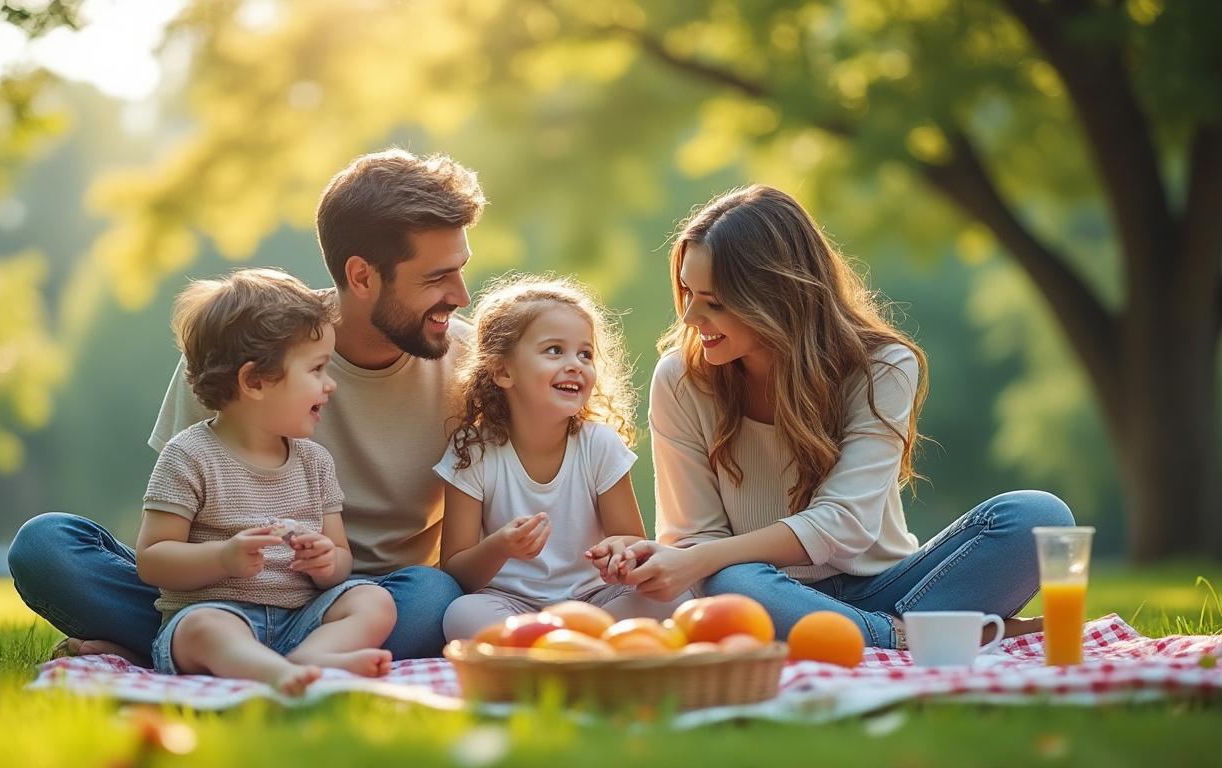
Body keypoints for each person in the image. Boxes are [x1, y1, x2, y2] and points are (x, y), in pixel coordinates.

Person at [8, 149, 485, 664]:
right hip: (223, 591)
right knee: (45, 547)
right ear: (363, 276)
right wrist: (228, 567)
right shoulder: (250, 347)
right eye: (437, 278)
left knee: (435, 597)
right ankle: (226, 644)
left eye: (461, 269)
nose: (461, 294)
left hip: (372, 602)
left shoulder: (473, 367)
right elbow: (174, 526)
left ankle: (201, 654)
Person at [611, 185, 1073, 649]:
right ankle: (902, 636)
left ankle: (855, 631)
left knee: (1041, 516)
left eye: (714, 302)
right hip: (763, 589)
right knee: (728, 582)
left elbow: (845, 525)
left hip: (890, 585)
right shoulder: (681, 379)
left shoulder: (882, 365)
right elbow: (696, 542)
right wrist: (697, 561)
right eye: (688, 292)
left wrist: (701, 560)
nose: (691, 316)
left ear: (777, 296)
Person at [138, 268, 395, 692]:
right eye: (316, 369)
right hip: (219, 613)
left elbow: (342, 559)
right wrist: (223, 558)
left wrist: (326, 561)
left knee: (374, 599)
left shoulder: (315, 462)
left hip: (301, 619)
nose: (330, 385)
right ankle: (273, 673)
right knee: (203, 627)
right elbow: (151, 559)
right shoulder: (187, 455)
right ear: (254, 381)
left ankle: (310, 656)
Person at [437, 275, 684, 641]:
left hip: (595, 601)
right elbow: (456, 570)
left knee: (675, 597)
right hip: (509, 602)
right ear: (503, 371)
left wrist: (619, 553)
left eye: (585, 353)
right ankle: (576, 645)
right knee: (461, 614)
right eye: (555, 350)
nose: (575, 365)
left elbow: (631, 540)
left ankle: (548, 647)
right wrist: (501, 546)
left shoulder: (599, 445)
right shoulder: (473, 450)